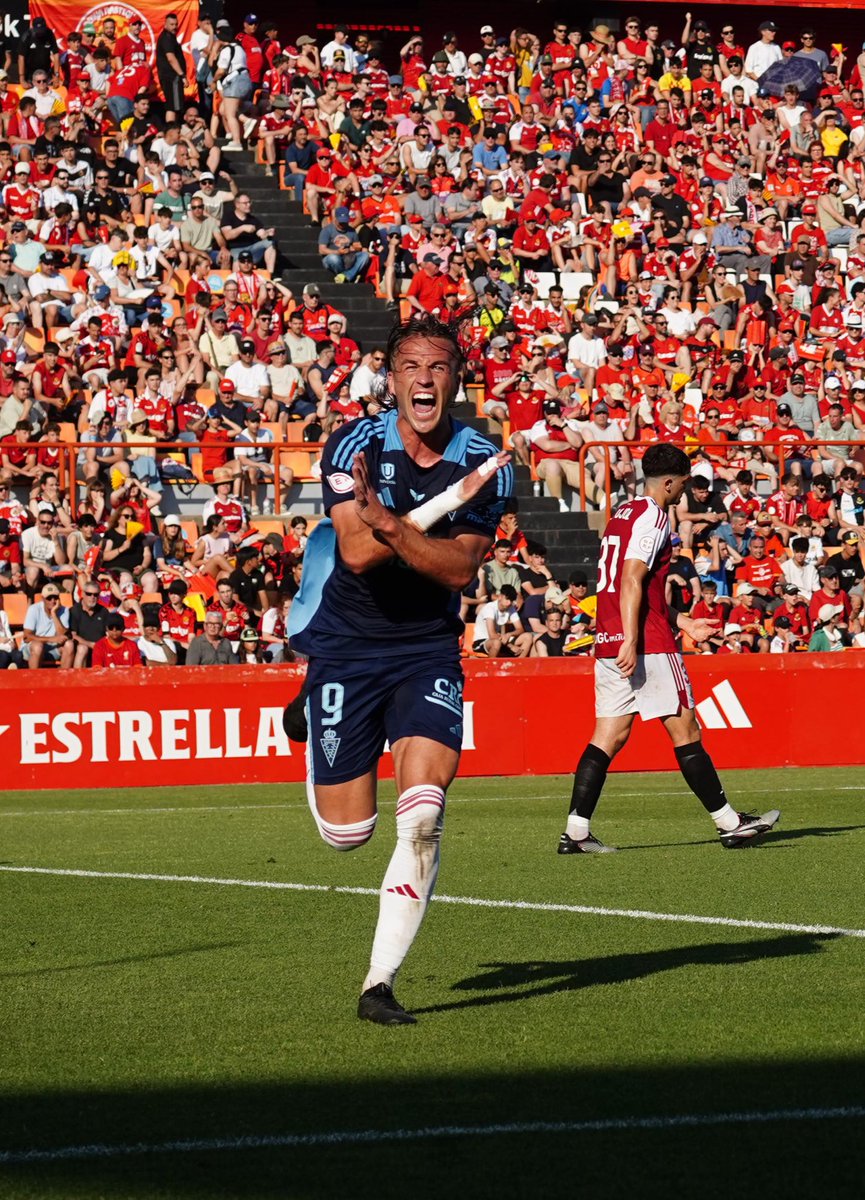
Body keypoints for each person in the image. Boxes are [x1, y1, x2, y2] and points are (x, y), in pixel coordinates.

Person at [287, 314, 513, 1025]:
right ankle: (305, 705)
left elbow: (457, 570)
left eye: (438, 366)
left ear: (455, 379)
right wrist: (417, 518)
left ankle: (377, 984)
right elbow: (354, 554)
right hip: (347, 648)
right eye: (410, 366)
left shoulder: (483, 457)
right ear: (389, 378)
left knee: (423, 818)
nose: (423, 378)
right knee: (345, 835)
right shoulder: (354, 442)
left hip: (424, 649)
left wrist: (390, 524)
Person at [558, 444, 780, 854]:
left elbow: (632, 588)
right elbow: (631, 579)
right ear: (669, 482)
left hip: (610, 640)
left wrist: (683, 621)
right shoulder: (654, 516)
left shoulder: (621, 515)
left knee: (608, 735)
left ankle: (575, 831)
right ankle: (730, 823)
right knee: (686, 730)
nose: (682, 491)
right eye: (682, 483)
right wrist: (632, 638)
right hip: (645, 644)